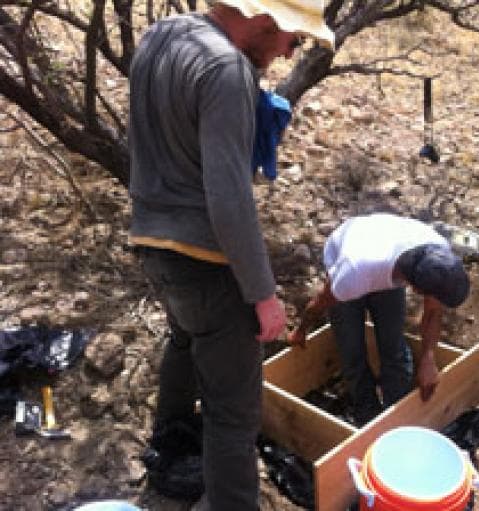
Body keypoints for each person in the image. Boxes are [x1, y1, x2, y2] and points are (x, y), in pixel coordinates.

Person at [127, 1, 334, 509]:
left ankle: (170, 457)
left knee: (184, 343)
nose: (290, 53)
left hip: (154, 242)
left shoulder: (162, 35)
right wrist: (264, 295)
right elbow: (228, 197)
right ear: (268, 21)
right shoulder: (225, 67)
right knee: (233, 411)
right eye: (294, 40)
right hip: (205, 258)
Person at [288, 213, 470, 425]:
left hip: (383, 250)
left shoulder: (438, 255)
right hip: (353, 254)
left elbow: (433, 312)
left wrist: (428, 357)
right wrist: (301, 330)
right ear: (416, 287)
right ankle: (368, 418)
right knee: (352, 353)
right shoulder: (352, 276)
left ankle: (398, 415)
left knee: (393, 346)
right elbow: (321, 301)